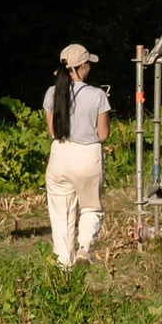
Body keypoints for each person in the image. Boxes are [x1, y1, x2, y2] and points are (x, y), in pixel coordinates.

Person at [41, 44, 112, 268]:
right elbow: (103, 134)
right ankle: (84, 248)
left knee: (61, 213)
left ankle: (64, 265)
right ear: (82, 66)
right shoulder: (97, 95)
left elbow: (51, 130)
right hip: (87, 155)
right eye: (88, 64)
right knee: (91, 207)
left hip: (59, 154)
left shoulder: (52, 93)